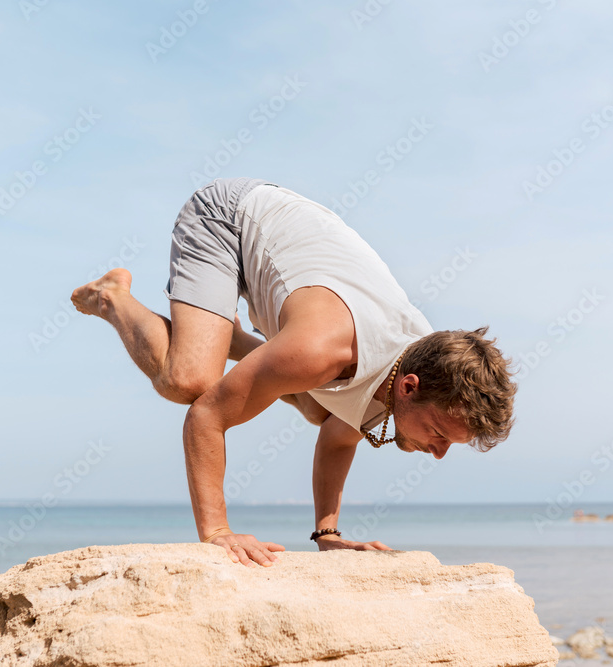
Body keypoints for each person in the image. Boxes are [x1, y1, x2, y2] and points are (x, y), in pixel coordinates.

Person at [71, 177, 516, 568]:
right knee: (189, 382)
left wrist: (329, 535)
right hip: (230, 218)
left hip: (302, 251)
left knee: (322, 411)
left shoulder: (415, 361)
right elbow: (206, 417)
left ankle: (232, 340)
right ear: (409, 386)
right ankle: (112, 296)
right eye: (439, 433)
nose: (438, 454)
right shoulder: (323, 351)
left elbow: (338, 437)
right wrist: (217, 533)